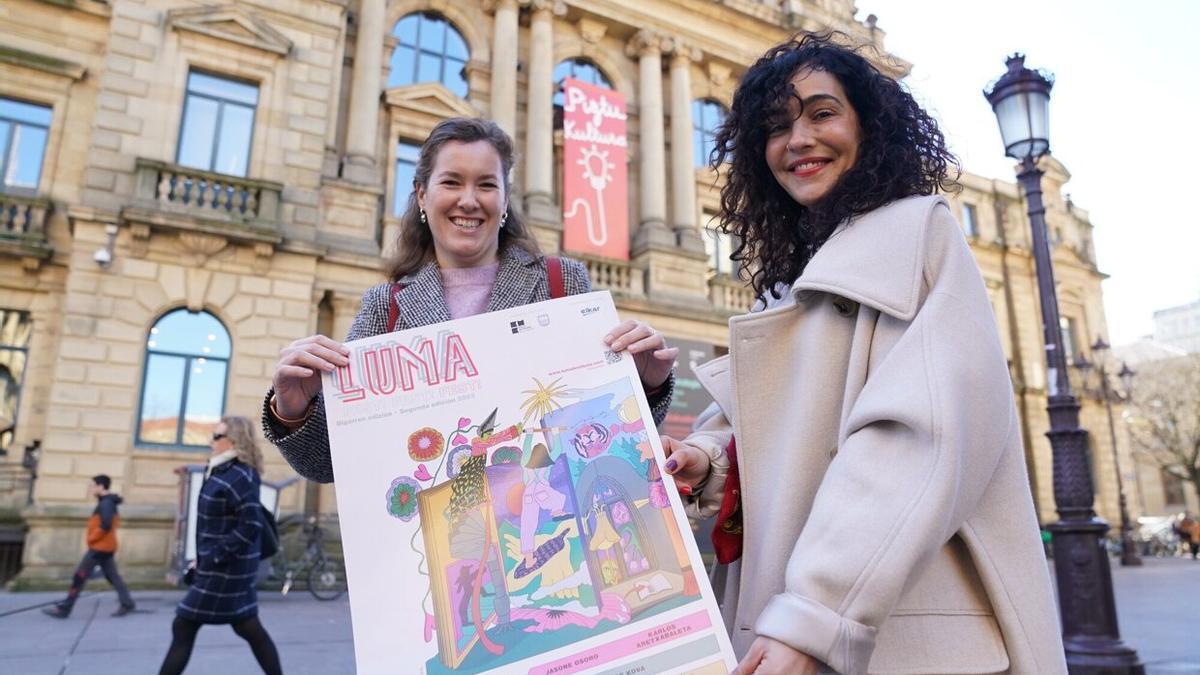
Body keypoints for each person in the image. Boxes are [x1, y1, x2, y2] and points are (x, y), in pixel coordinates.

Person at [660, 33, 1066, 674]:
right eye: (775, 127)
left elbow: (912, 440)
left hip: (898, 637)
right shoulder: (791, 279)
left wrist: (815, 614)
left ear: (869, 126)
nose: (798, 140)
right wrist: (705, 459)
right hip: (796, 622)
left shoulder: (917, 233)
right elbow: (789, 430)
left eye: (822, 113)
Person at [263, 117, 676, 482]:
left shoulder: (560, 282)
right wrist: (292, 410)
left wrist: (647, 385)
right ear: (422, 195)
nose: (469, 200)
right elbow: (331, 465)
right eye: (451, 182)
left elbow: (603, 427)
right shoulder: (383, 306)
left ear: (504, 200)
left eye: (486, 184)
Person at [158, 416, 281, 675]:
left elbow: (249, 525)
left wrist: (214, 555)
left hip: (227, 568)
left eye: (216, 436)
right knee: (247, 625)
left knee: (184, 624)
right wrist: (200, 558)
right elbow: (211, 524)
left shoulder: (241, 475)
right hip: (217, 564)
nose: (210, 441)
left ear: (234, 440)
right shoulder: (219, 469)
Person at [43, 474, 136, 618]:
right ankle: (127, 603)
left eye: (93, 485)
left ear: (101, 486)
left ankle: (65, 609)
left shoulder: (106, 503)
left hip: (99, 548)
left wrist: (92, 539)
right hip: (106, 547)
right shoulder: (108, 502)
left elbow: (105, 525)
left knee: (79, 576)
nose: (90, 488)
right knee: (113, 576)